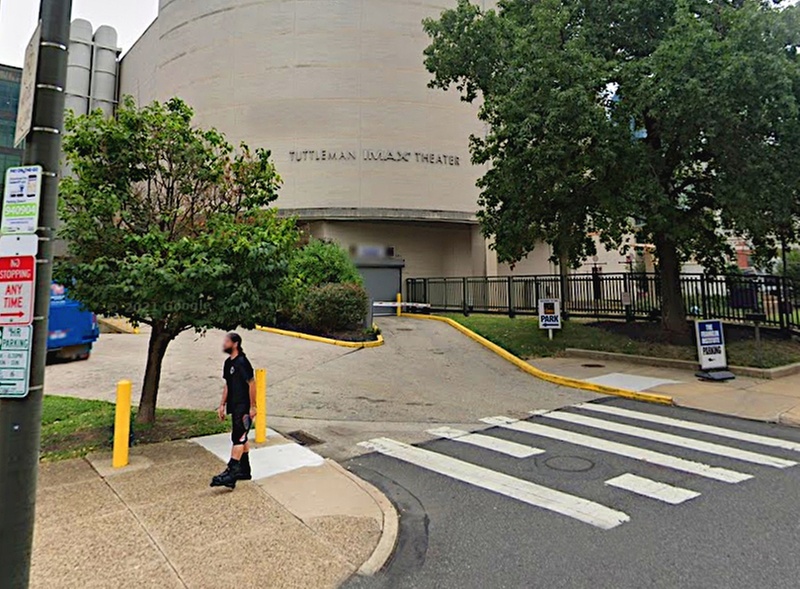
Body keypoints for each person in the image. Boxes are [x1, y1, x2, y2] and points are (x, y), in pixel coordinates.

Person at [211, 332, 256, 489]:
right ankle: (244, 469)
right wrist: (222, 404)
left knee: (238, 438)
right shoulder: (228, 363)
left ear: (235, 344)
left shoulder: (243, 362)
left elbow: (252, 383)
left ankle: (231, 472)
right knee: (241, 437)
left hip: (244, 406)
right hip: (234, 405)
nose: (224, 344)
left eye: (227, 341)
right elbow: (228, 385)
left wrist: (253, 406)